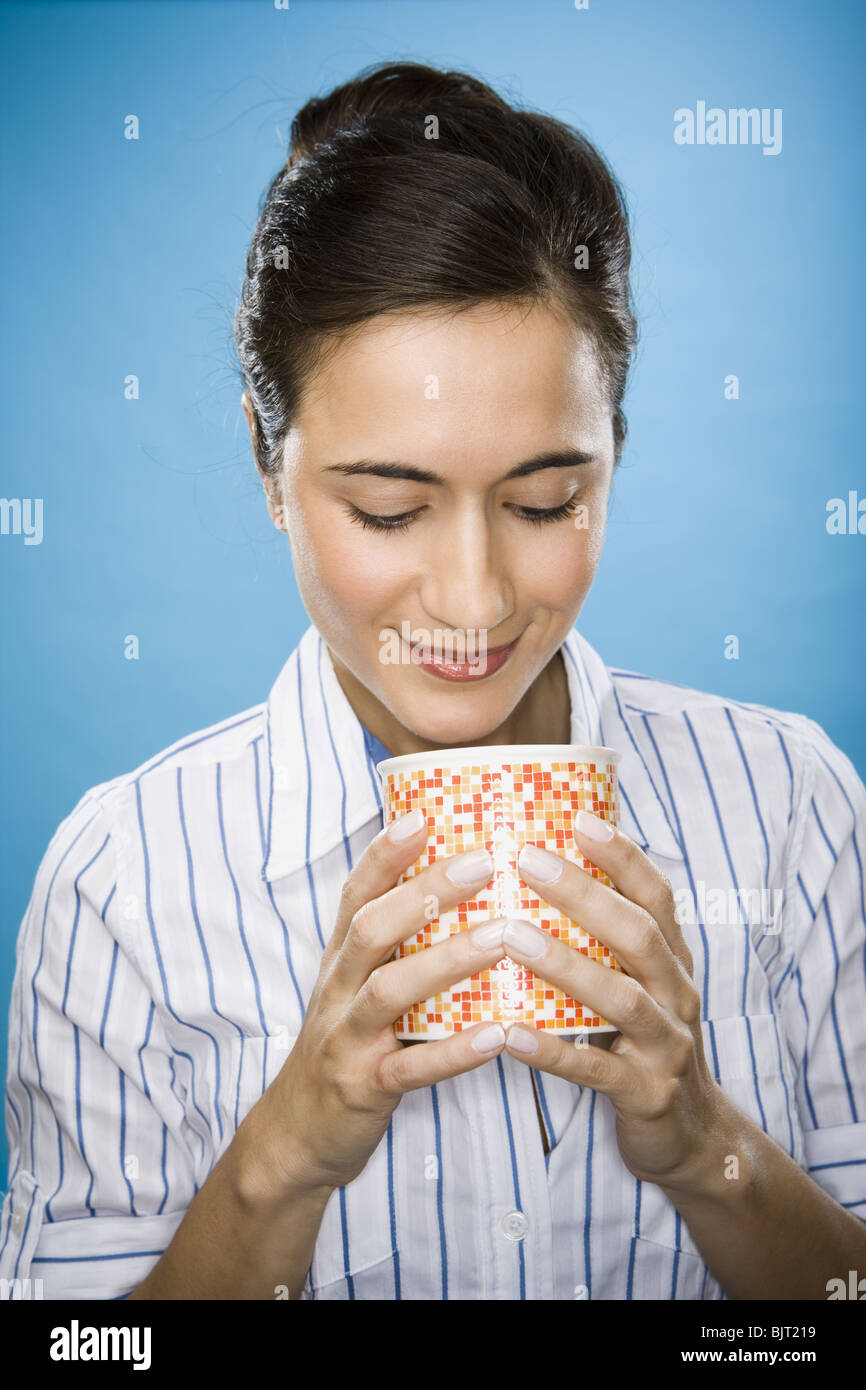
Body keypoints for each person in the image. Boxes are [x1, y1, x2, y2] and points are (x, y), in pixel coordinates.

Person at [2, 60, 865, 1303]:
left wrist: (706, 1152)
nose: (472, 601)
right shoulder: (123, 885)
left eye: (542, 500)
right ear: (265, 458)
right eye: (389, 508)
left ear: (614, 452)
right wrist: (278, 1164)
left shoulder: (791, 808)